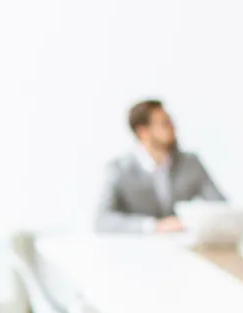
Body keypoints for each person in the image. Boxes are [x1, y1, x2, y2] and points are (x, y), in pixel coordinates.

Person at [95, 99, 225, 233]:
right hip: (139, 247)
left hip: (182, 244)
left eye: (171, 122)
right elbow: (102, 221)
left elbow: (221, 207)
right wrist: (153, 226)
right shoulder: (119, 169)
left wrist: (195, 221)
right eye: (165, 124)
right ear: (142, 132)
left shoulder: (190, 163)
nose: (173, 129)